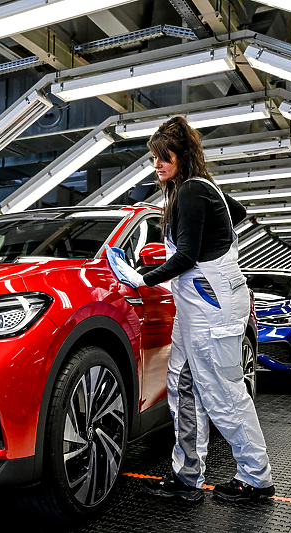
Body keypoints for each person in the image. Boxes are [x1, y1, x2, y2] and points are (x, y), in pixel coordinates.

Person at [107, 116, 274, 502]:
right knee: (182, 388)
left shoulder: (193, 193)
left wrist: (141, 278)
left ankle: (256, 477)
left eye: (164, 156)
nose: (157, 164)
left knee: (223, 394)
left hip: (211, 305)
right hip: (196, 305)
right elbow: (237, 212)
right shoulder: (198, 191)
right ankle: (188, 475)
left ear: (182, 156)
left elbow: (185, 257)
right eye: (154, 158)